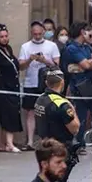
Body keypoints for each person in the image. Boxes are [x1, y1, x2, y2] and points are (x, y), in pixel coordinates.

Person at [18, 21, 61, 151]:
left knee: (48, 112)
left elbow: (56, 64)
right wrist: (30, 59)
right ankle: (30, 141)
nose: (37, 36)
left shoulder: (52, 46)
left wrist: (44, 60)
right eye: (34, 34)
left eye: (39, 34)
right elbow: (21, 66)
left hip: (48, 82)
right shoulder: (25, 46)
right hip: (30, 82)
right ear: (31, 33)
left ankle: (47, 140)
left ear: (43, 32)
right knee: (30, 112)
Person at [61, 22, 92, 147]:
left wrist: (88, 64)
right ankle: (79, 143)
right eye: (88, 32)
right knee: (81, 116)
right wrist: (88, 64)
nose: (91, 35)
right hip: (80, 87)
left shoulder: (86, 47)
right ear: (82, 32)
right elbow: (86, 65)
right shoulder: (72, 48)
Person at [35, 69, 81, 177]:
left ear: (46, 83)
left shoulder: (40, 99)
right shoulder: (62, 104)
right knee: (60, 181)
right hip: (60, 149)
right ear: (62, 82)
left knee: (47, 179)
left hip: (44, 147)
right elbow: (75, 128)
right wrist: (72, 109)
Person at [0, 24, 23, 153]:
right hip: (0, 86)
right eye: (1, 37)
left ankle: (8, 142)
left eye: (6, 36)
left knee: (11, 113)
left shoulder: (9, 49)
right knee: (0, 114)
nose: (4, 38)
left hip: (12, 85)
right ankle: (2, 143)